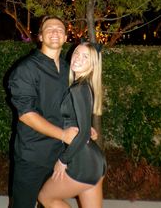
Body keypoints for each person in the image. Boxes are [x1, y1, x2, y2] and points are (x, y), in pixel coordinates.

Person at [8, 16, 79, 208]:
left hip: (59, 155)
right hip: (33, 154)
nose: (55, 32)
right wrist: (63, 134)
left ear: (65, 37)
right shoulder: (26, 69)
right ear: (40, 36)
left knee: (49, 201)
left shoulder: (68, 69)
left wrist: (82, 128)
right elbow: (26, 114)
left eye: (60, 29)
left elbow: (69, 108)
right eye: (49, 29)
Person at [38, 42, 107, 208]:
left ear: (92, 64)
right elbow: (83, 126)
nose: (78, 58)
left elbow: (82, 134)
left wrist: (63, 161)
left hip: (81, 161)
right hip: (95, 162)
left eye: (85, 57)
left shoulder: (79, 88)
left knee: (46, 198)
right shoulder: (84, 86)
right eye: (77, 53)